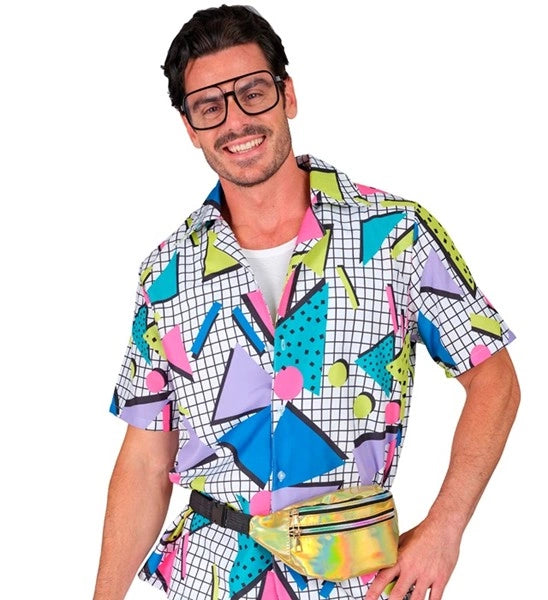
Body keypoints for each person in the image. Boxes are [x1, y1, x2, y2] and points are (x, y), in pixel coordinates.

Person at [93, 5, 520, 600]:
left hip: (354, 576)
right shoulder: (166, 274)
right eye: (209, 107)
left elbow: (494, 379)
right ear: (190, 127)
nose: (236, 120)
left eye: (252, 93)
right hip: (209, 576)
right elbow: (145, 456)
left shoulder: (396, 234)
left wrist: (446, 528)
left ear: (287, 94)